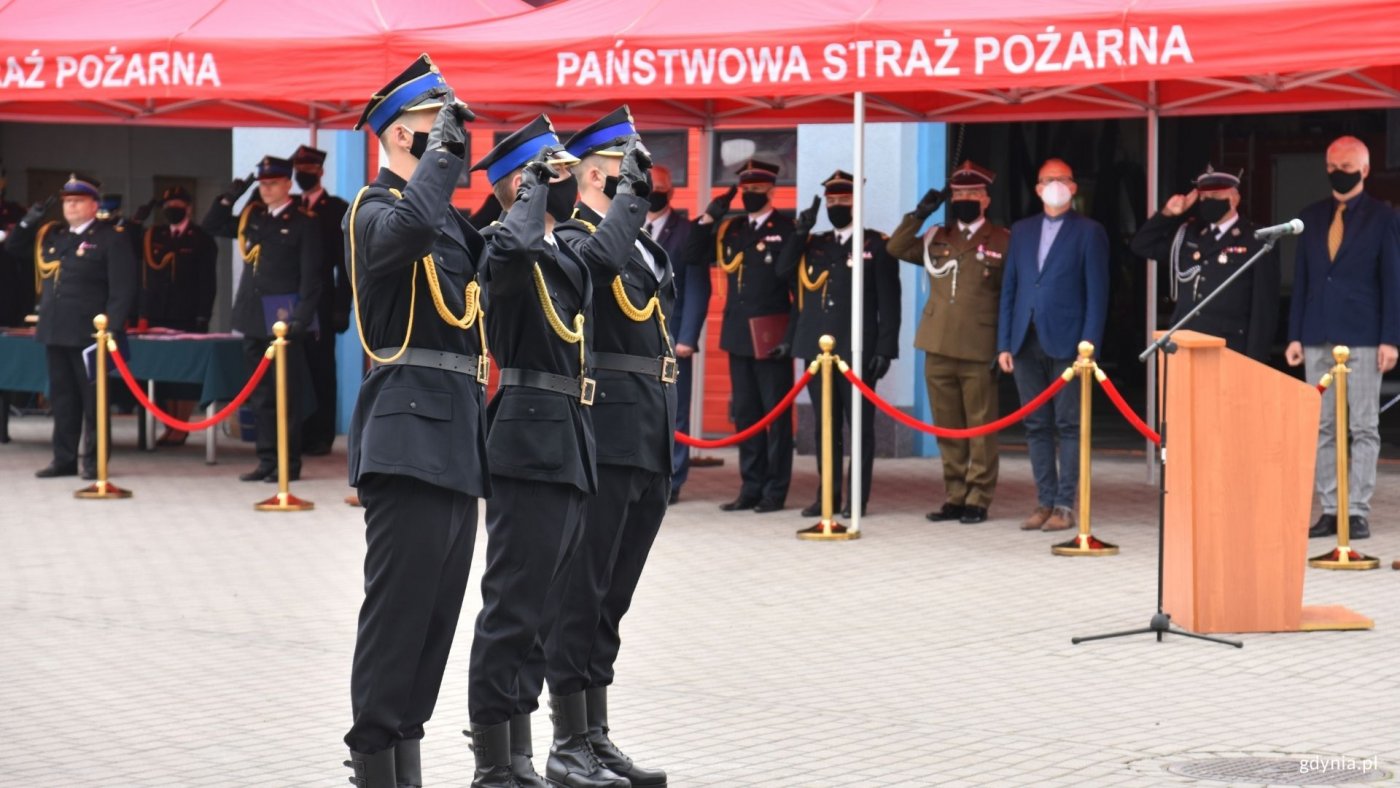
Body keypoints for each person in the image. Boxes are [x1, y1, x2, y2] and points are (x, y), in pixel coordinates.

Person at [512, 106, 672, 788]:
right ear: (597, 173)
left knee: (613, 600)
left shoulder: (639, 246)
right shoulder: (580, 241)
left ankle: (596, 734)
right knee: (580, 594)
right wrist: (625, 209)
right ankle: (567, 741)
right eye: (627, 163)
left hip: (648, 434)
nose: (641, 173)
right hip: (607, 433)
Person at [340, 53, 488, 788]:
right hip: (405, 433)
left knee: (435, 624)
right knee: (399, 616)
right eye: (438, 133)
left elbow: (502, 253)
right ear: (402, 137)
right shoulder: (372, 211)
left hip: (456, 435)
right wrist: (440, 163)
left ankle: (407, 758)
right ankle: (371, 764)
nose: (454, 147)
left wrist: (532, 187)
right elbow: (409, 227)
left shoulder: (446, 221)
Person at [467, 116, 598, 788]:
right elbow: (512, 254)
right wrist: (524, 197)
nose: (568, 185)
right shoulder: (503, 248)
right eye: (556, 174)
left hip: (567, 438)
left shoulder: (562, 251)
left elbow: (605, 253)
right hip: (526, 438)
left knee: (545, 612)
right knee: (514, 607)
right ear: (524, 185)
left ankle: (520, 752)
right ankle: (495, 761)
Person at [1286, 136, 1400, 542]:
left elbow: (1392, 282)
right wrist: (1295, 334)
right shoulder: (1311, 216)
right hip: (1317, 335)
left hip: (1365, 338)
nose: (1338, 170)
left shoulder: (1384, 219)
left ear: (1365, 170)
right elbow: (1303, 281)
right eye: (1332, 163)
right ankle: (1331, 508)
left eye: (1347, 164)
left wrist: (1391, 339)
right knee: (1322, 428)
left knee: (1364, 426)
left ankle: (1357, 512)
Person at [887, 161, 1009, 525]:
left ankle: (978, 497)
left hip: (978, 344)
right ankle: (955, 495)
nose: (965, 199)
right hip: (937, 343)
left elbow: (1009, 296)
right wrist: (919, 213)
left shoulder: (1002, 239)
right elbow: (895, 246)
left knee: (980, 426)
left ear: (985, 199)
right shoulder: (935, 236)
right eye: (958, 195)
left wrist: (1003, 345)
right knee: (947, 425)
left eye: (972, 194)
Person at [777, 169, 901, 518]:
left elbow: (890, 302)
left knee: (859, 428)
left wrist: (886, 349)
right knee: (824, 427)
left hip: (857, 350)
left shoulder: (875, 244)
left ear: (857, 203)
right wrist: (801, 229)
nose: (836, 206)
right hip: (818, 351)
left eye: (843, 201)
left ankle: (856, 499)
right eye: (831, 201)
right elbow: (783, 272)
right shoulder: (815, 243)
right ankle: (827, 495)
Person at [996, 158, 1108, 532]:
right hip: (1025, 339)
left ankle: (1065, 504)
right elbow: (1010, 288)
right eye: (1048, 180)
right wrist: (1004, 343)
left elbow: (1098, 294)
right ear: (1038, 188)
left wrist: (1088, 344)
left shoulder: (1089, 232)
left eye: (1062, 179)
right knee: (1035, 425)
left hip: (1069, 344)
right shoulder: (1022, 230)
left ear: (1074, 187)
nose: (1055, 185)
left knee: (1069, 424)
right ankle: (1044, 502)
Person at [3, 175, 138, 479]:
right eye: (67, 202)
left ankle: (94, 461)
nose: (71, 207)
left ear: (93, 205)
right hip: (55, 329)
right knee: (62, 401)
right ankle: (63, 459)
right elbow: (13, 248)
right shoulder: (56, 236)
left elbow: (123, 288)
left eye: (77, 201)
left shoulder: (111, 237)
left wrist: (112, 329)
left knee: (93, 402)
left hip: (91, 334)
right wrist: (29, 220)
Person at [202, 155, 321, 482]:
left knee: (286, 395)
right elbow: (211, 225)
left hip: (284, 321)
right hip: (254, 317)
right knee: (260, 395)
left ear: (287, 184)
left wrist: (301, 318)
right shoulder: (253, 218)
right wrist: (230, 197)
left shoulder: (303, 222)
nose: (266, 189)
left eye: (272, 183)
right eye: (262, 184)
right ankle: (267, 460)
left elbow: (312, 278)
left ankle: (288, 463)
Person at [688, 157, 796, 512]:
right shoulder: (730, 230)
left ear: (771, 190)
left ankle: (775, 491)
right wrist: (709, 217)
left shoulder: (787, 228)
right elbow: (690, 254)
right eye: (745, 190)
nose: (750, 194)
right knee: (748, 415)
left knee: (775, 418)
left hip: (772, 338)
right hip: (738, 334)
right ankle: (750, 486)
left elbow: (800, 291)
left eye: (757, 189)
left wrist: (790, 337)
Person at [1130, 165, 1277, 362]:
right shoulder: (1189, 234)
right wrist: (1167, 213)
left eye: (1213, 197)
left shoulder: (1256, 239)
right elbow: (1142, 245)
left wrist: (1255, 359)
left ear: (1233, 199)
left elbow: (1263, 307)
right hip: (1185, 342)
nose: (1206, 202)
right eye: (1202, 198)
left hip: (1230, 345)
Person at [646, 164, 710, 505]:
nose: (653, 193)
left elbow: (699, 287)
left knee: (676, 409)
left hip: (674, 335)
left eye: (659, 187)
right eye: (648, 186)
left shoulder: (687, 232)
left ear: (671, 192)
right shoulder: (628, 229)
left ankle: (673, 478)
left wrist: (688, 337)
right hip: (636, 337)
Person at [137, 186, 219, 446]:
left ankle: (181, 426)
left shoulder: (202, 239)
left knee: (185, 374)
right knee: (161, 374)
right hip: (159, 314)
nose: (172, 207)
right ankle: (168, 424)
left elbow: (208, 282)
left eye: (177, 203)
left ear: (188, 207)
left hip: (188, 315)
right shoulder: (154, 235)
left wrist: (203, 315)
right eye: (168, 203)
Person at [291, 144, 352, 456]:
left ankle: (320, 434)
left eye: (308, 170)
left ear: (320, 172)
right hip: (289, 302)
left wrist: (343, 307)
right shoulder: (290, 207)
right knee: (292, 369)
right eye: (299, 169)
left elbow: (346, 264)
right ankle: (295, 432)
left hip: (323, 302)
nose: (302, 174)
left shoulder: (336, 208)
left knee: (321, 370)